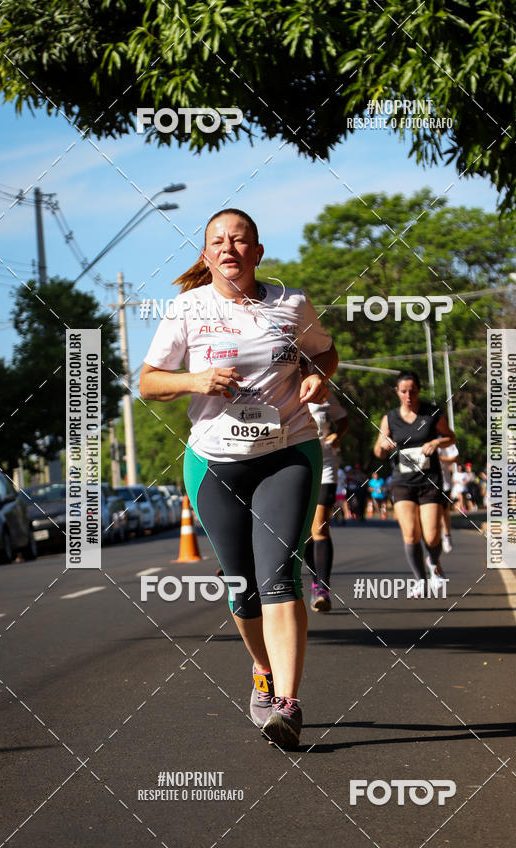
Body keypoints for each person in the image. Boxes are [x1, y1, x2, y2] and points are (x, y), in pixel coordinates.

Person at [140, 208, 338, 750]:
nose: (228, 247)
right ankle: (263, 671)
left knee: (279, 576)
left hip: (286, 453)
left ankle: (289, 705)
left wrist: (318, 380)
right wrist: (195, 379)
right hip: (214, 462)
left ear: (257, 252)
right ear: (206, 255)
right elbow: (148, 383)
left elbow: (325, 353)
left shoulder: (291, 303)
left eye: (239, 239)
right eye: (216, 241)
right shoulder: (186, 309)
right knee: (243, 590)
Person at [373, 371, 455, 596]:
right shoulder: (389, 418)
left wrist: (437, 442)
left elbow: (451, 437)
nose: (408, 395)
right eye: (403, 391)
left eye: (413, 391)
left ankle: (435, 565)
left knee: (431, 535)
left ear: (419, 390)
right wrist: (383, 444)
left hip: (429, 481)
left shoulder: (432, 413)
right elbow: (378, 451)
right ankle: (420, 580)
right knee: (410, 534)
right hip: (402, 482)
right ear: (397, 392)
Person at [304, 389, 349, 612]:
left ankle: (322, 588)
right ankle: (315, 579)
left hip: (325, 465)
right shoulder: (281, 390)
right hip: (296, 467)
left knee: (320, 526)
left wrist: (337, 436)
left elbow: (344, 420)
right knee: (304, 532)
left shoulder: (323, 392)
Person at [438, 443, 459, 553]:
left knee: (444, 511)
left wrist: (438, 458)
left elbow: (455, 458)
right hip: (422, 483)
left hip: (443, 483)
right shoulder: (415, 433)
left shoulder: (442, 438)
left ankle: (446, 534)